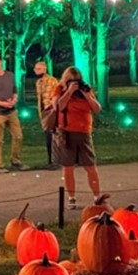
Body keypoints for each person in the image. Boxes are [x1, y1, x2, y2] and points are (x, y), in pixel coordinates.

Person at [52, 67, 103, 209]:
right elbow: (58, 106)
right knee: (68, 167)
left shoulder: (85, 90)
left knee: (90, 166)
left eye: (77, 81)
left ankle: (97, 197)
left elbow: (97, 108)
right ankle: (71, 197)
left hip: (84, 133)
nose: (74, 83)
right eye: (71, 80)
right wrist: (69, 91)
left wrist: (86, 94)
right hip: (66, 132)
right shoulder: (60, 89)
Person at [34, 62, 59, 170]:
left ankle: (56, 160)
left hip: (52, 112)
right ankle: (50, 160)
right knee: (48, 137)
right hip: (43, 112)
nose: (36, 71)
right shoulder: (38, 82)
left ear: (44, 69)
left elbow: (57, 95)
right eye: (36, 69)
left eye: (39, 69)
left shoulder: (52, 81)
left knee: (54, 136)